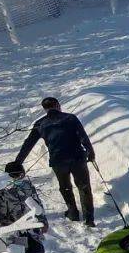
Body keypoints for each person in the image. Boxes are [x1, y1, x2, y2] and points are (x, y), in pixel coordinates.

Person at [13, 97, 96, 227]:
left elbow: (28, 145)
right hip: (78, 158)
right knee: (84, 186)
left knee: (65, 187)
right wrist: (91, 153)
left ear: (45, 109)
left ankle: (73, 213)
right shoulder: (71, 118)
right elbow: (83, 137)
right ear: (58, 105)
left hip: (58, 161)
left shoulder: (40, 123)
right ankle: (89, 219)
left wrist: (18, 162)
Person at [0, 162, 47, 253]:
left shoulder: (27, 186)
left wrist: (43, 220)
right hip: (12, 235)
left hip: (32, 231)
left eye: (22, 175)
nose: (20, 178)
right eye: (17, 175)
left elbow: (37, 204)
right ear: (8, 176)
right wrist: (0, 232)